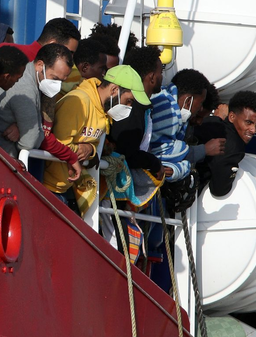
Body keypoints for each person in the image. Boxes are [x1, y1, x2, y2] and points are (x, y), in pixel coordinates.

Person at [45, 65, 149, 214]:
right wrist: (82, 149)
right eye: (128, 101)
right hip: (48, 187)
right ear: (114, 90)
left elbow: (92, 146)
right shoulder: (79, 102)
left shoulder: (101, 111)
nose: (129, 107)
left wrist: (90, 149)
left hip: (65, 188)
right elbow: (58, 143)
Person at [0, 43, 74, 157]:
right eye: (55, 78)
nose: (57, 86)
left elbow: (35, 133)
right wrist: (29, 130)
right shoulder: (25, 88)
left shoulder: (33, 79)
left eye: (62, 81)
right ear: (40, 65)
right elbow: (29, 142)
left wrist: (24, 128)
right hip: (0, 157)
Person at [108, 46, 170, 180]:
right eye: (160, 72)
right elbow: (126, 153)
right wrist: (154, 163)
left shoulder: (141, 108)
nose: (162, 76)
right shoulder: (133, 108)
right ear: (152, 77)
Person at [149, 69, 210, 183]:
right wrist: (203, 150)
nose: (200, 108)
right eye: (201, 102)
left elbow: (170, 161)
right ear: (189, 101)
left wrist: (178, 169)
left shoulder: (176, 111)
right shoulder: (167, 109)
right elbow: (162, 154)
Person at [195, 90, 256, 197]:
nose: (253, 130)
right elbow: (219, 190)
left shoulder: (212, 122)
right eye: (248, 122)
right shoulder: (234, 148)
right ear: (232, 117)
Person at [0, 17, 80, 62]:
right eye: (69, 53)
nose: (71, 59)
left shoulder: (4, 49)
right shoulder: (42, 68)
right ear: (52, 45)